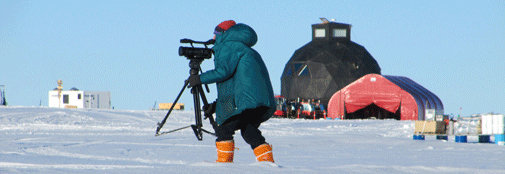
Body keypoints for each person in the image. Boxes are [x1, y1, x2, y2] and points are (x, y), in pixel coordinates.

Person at [186, 20, 276, 163]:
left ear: (224, 33)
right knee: (248, 131)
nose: (214, 37)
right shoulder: (243, 48)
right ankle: (267, 164)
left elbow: (223, 72)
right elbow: (236, 85)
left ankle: (224, 166)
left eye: (216, 33)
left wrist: (199, 79)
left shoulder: (228, 46)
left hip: (248, 102)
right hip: (259, 101)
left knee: (223, 128)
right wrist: (215, 106)